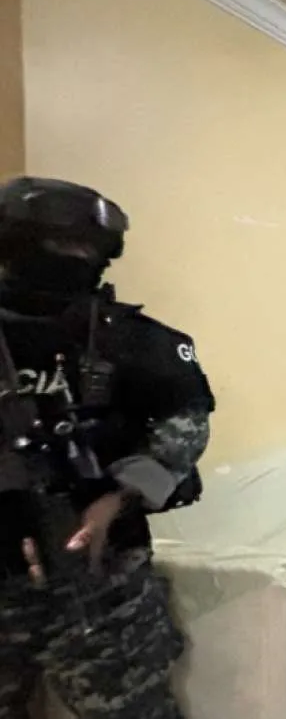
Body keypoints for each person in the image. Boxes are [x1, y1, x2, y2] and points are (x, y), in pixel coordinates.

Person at [0, 176, 215, 718]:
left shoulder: (137, 341)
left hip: (101, 581)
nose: (72, 257)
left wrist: (118, 495)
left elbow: (186, 423)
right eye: (58, 243)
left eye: (85, 247)